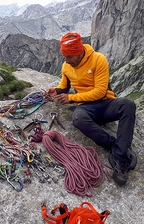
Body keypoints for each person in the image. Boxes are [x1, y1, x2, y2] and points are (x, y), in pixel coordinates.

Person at [47, 32, 137, 186]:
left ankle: (120, 160)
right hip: (87, 107)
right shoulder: (66, 66)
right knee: (78, 119)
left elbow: (100, 91)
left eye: (70, 57)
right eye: (65, 57)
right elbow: (64, 86)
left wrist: (72, 98)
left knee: (128, 105)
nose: (67, 61)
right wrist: (58, 91)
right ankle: (115, 147)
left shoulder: (98, 59)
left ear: (80, 52)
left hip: (105, 103)